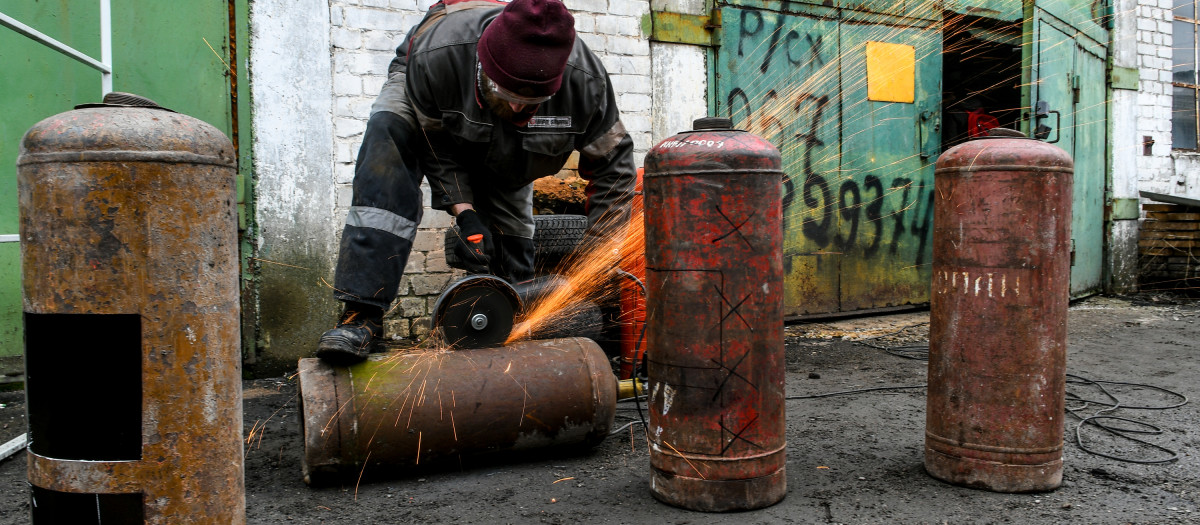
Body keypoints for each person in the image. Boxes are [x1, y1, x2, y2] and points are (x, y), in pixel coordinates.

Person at [316, 0, 637, 364]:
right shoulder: (438, 55)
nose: (517, 108)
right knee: (388, 135)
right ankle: (361, 315)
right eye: (509, 96)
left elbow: (615, 169)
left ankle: (508, 329)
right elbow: (433, 146)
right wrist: (464, 212)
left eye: (531, 102)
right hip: (432, 94)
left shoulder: (587, 85)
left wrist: (595, 257)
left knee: (513, 253)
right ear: (483, 67)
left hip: (512, 152)